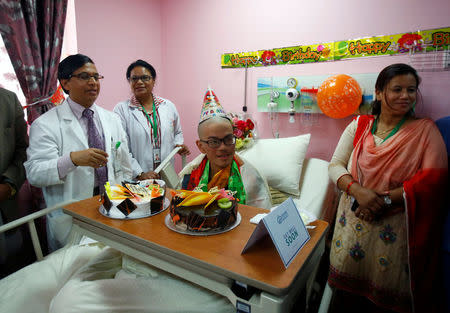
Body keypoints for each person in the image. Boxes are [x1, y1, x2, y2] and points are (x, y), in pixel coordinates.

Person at [327, 63, 448, 313]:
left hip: (395, 229)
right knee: (347, 300)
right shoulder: (359, 125)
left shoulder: (425, 130)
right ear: (379, 92)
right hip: (352, 221)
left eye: (411, 90)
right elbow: (335, 165)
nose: (406, 96)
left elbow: (432, 180)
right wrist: (358, 192)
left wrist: (383, 201)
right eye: (397, 89)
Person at [25, 54, 133, 252]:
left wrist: (128, 197)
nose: (93, 82)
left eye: (96, 77)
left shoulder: (111, 119)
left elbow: (124, 163)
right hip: (73, 214)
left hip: (114, 205)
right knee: (79, 271)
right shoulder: (45, 124)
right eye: (84, 76)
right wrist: (72, 160)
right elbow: (35, 173)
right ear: (66, 83)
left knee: (117, 261)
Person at [179, 88, 271, 209]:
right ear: (201, 146)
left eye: (228, 139)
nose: (223, 147)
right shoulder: (190, 176)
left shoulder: (250, 178)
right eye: (214, 142)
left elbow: (259, 215)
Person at [114, 60, 189, 180]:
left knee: (167, 198)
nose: (139, 82)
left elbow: (177, 132)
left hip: (166, 172)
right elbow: (121, 148)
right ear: (129, 81)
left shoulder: (168, 106)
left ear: (153, 81)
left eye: (145, 78)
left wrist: (178, 144)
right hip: (139, 177)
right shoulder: (121, 110)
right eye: (134, 78)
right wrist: (139, 173)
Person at [0, 87, 29, 276]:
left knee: (8, 263)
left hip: (3, 202)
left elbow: (23, 150)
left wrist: (9, 184)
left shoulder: (8, 100)